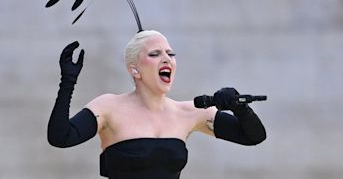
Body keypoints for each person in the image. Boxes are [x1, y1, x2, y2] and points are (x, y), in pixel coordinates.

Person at [47, 30, 266, 179]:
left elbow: (253, 136)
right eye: (155, 54)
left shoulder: (191, 112)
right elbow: (61, 137)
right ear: (135, 70)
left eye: (170, 54)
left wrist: (240, 108)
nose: (167, 59)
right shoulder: (108, 107)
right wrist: (67, 82)